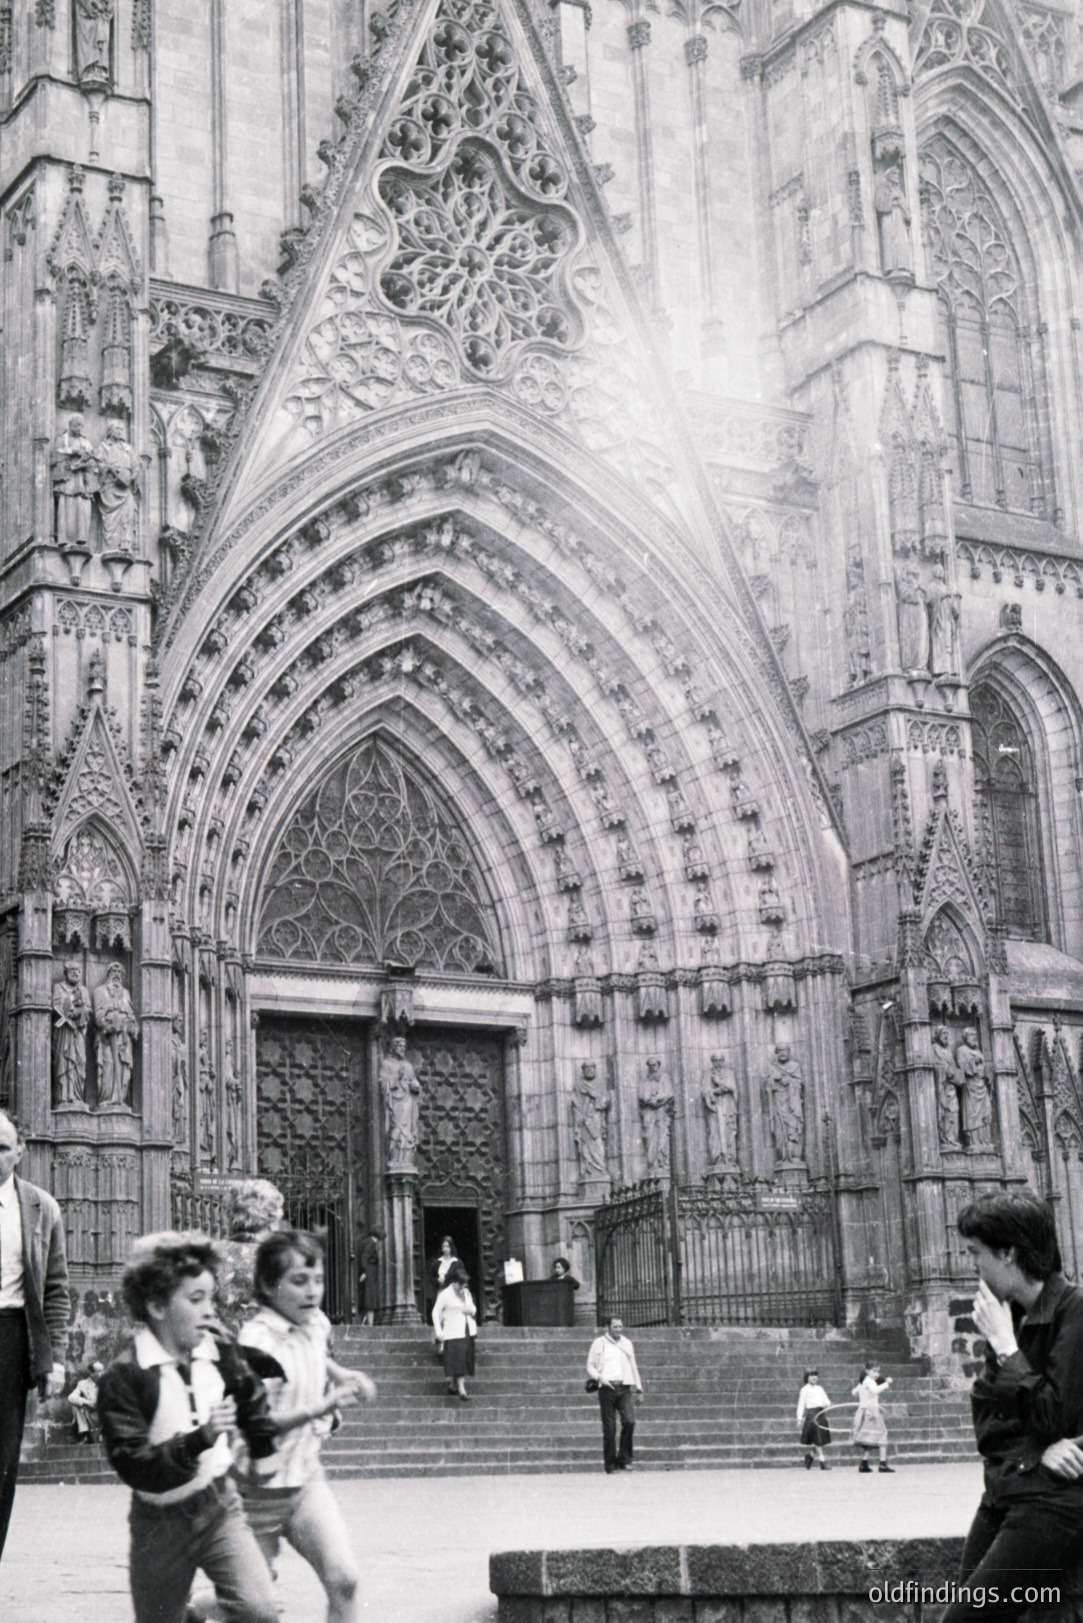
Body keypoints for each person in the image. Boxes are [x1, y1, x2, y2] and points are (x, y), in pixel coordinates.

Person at [95, 1231, 279, 1623]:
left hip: (218, 1505)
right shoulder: (126, 1375)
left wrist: (263, 1446)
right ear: (157, 1305)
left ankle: (197, 1610)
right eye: (196, 1300)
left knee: (259, 1609)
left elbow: (249, 1389)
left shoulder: (218, 1349)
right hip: (158, 1523)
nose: (209, 1311)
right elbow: (133, 1462)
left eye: (211, 1298)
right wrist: (200, 1439)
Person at [940, 1192, 1083, 1623]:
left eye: (976, 1253)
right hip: (1004, 1490)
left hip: (1053, 1501)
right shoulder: (1010, 1315)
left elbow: (1053, 1415)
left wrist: (1005, 1347)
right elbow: (988, 1423)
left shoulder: (1074, 1311)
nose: (972, 1266)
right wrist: (1039, 1449)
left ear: (1008, 1253)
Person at [237, 1230, 376, 1623]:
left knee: (344, 1580)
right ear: (268, 1285)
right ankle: (196, 1610)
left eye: (317, 1280)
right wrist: (320, 1407)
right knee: (255, 1608)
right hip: (253, 1492)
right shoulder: (255, 1342)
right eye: (299, 1281)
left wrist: (342, 1374)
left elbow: (314, 1353)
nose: (312, 1291)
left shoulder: (316, 1323)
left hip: (303, 1481)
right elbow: (257, 1423)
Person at [0, 1111, 69, 1559]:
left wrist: (55, 1358)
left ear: (20, 1151)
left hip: (10, 1338)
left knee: (3, 1463)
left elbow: (56, 1288)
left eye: (2, 1147)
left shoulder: (42, 1208)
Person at [215, 1178, 285, 1337]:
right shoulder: (279, 1259)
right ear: (272, 1221)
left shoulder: (211, 1255)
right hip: (265, 1347)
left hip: (219, 1346)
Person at [586, 1315, 643, 1474]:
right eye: (615, 1327)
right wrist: (599, 1378)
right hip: (606, 1388)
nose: (618, 1329)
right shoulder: (599, 1343)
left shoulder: (627, 1343)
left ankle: (625, 1460)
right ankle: (610, 1464)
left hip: (624, 1387)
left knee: (629, 1421)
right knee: (610, 1428)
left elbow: (633, 1365)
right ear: (608, 1327)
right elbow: (590, 1365)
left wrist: (639, 1387)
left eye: (620, 1326)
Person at [432, 1260, 477, 1401]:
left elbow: (473, 1307)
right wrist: (439, 1333)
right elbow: (435, 1312)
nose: (462, 1287)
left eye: (464, 1284)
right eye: (460, 1284)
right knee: (458, 1360)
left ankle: (453, 1385)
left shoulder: (466, 1293)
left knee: (462, 1359)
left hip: (467, 1330)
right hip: (453, 1332)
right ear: (454, 1281)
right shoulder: (445, 1294)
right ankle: (462, 1390)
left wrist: (471, 1311)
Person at [851, 1362, 893, 1472]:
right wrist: (886, 1383)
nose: (876, 1374)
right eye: (874, 1371)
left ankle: (864, 1463)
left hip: (865, 1410)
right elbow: (874, 1390)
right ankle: (882, 1464)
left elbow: (854, 1392)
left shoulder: (863, 1382)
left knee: (870, 1436)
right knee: (882, 1434)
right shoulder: (870, 1382)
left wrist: (863, 1395)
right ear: (867, 1371)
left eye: (878, 1371)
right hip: (871, 1411)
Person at [796, 1369, 831, 1471]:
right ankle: (822, 1461)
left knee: (820, 1439)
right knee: (817, 1438)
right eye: (811, 1375)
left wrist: (826, 1404)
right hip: (812, 1415)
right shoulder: (804, 1390)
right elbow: (801, 1404)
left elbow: (827, 1400)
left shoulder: (820, 1388)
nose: (814, 1377)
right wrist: (799, 1418)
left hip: (821, 1414)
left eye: (815, 1375)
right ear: (807, 1377)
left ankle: (810, 1456)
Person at [68, 1360, 104, 1444]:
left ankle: (102, 1434)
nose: (103, 1373)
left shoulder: (108, 1383)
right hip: (90, 1416)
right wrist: (87, 1403)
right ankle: (85, 1433)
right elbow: (71, 1398)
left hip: (103, 1416)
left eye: (103, 1370)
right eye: (99, 1371)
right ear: (91, 1373)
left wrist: (95, 1404)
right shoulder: (82, 1384)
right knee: (76, 1405)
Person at [358, 1227, 383, 1326]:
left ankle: (368, 1322)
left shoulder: (368, 1242)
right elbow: (365, 1257)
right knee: (370, 1298)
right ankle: (370, 1324)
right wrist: (365, 1272)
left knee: (369, 1297)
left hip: (370, 1272)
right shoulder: (371, 1243)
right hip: (370, 1272)